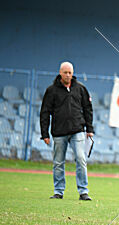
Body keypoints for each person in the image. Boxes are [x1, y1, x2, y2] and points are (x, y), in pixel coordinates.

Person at [40, 62, 94, 201]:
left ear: (73, 73)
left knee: (81, 159)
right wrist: (44, 133)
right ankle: (58, 191)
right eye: (65, 72)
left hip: (78, 130)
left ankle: (83, 191)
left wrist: (90, 129)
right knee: (58, 162)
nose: (68, 75)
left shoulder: (80, 88)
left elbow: (87, 109)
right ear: (60, 73)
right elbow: (45, 112)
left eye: (70, 72)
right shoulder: (51, 90)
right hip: (59, 132)